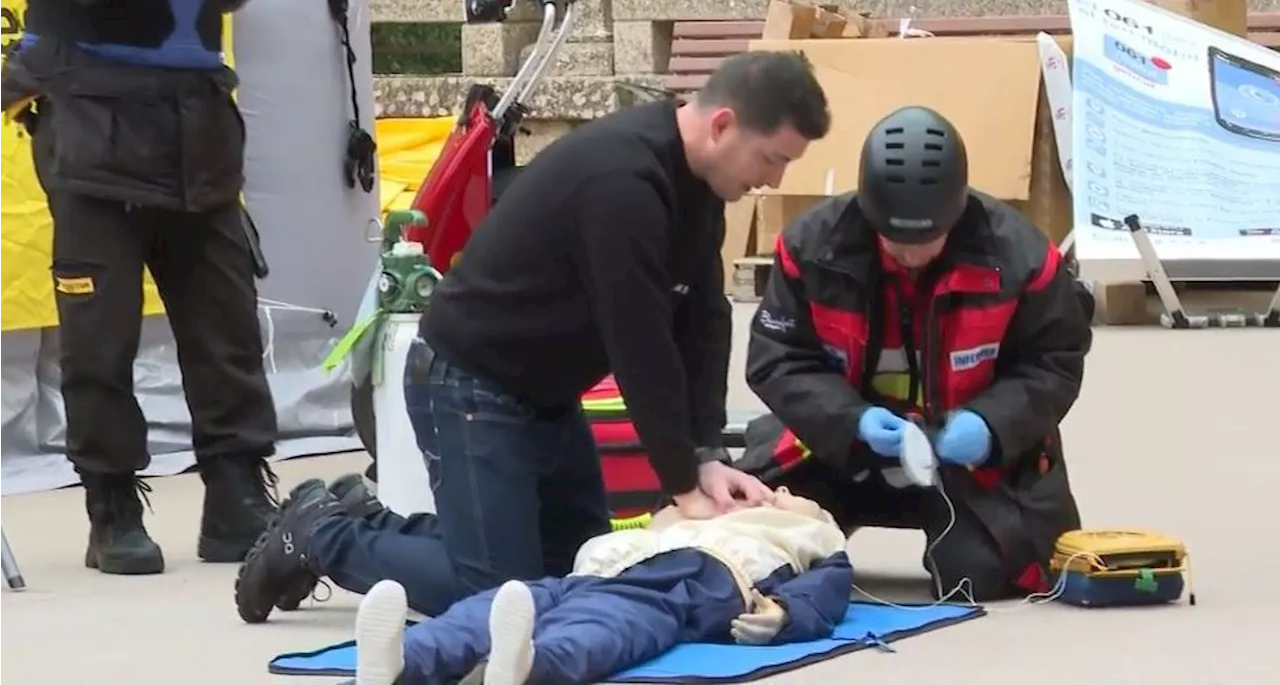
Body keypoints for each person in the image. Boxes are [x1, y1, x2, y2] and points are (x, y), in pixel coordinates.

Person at [233, 51, 832, 623]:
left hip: (544, 395)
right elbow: (640, 345)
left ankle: (367, 523)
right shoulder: (624, 179)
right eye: (772, 159)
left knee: (579, 574)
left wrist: (704, 454)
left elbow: (704, 322)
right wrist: (680, 484)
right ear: (723, 125)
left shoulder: (699, 187)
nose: (771, 180)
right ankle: (319, 533)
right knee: (497, 595)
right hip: (469, 385)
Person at [739, 105, 1094, 602]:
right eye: (895, 240)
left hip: (968, 462)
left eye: (928, 239)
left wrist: (991, 424)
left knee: (984, 578)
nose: (911, 255)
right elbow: (778, 358)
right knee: (757, 555)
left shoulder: (1022, 257)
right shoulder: (810, 247)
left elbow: (1053, 361)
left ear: (958, 207)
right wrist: (852, 421)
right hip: (837, 448)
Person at [0, 0, 280, 576]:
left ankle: (236, 495)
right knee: (100, 337)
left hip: (199, 129)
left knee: (226, 326)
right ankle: (112, 507)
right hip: (91, 123)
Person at [348, 486, 852, 685]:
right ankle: (402, 660)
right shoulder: (707, 511)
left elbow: (827, 590)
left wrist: (786, 614)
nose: (778, 492)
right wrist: (686, 508)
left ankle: (531, 665)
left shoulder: (811, 537)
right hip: (601, 568)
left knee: (605, 627)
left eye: (793, 496)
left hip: (691, 579)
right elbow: (662, 511)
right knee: (501, 603)